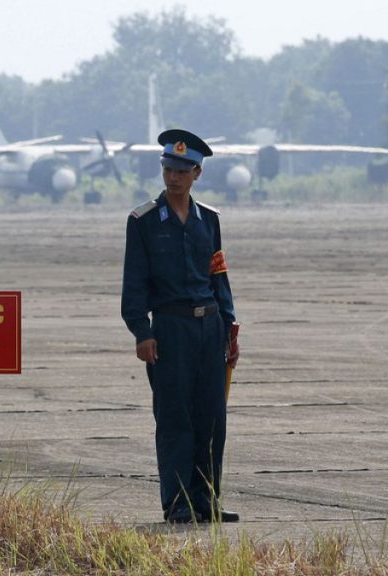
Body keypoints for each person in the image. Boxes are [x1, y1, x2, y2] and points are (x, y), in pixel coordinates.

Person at [121, 128, 240, 524]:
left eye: (182, 170)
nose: (174, 177)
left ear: (197, 174)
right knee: (174, 419)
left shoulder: (210, 220)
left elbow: (218, 274)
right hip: (169, 331)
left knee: (211, 419)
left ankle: (206, 501)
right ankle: (177, 504)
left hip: (209, 329)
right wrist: (142, 331)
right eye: (168, 168)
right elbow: (134, 281)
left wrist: (229, 325)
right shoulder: (142, 220)